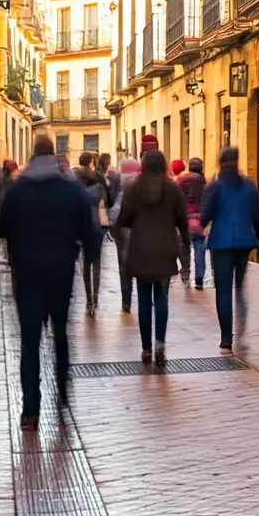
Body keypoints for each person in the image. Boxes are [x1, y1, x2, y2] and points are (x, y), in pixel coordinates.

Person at [0, 135, 101, 430]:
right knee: (60, 333)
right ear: (54, 157)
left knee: (29, 341)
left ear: (32, 155)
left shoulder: (18, 191)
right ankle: (63, 395)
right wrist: (83, 252)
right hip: (61, 271)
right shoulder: (71, 190)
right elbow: (92, 233)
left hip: (28, 274)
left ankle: (30, 410)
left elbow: (2, 229)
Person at [115, 150, 188, 365]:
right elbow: (182, 220)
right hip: (165, 248)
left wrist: (128, 227)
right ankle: (160, 345)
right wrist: (185, 243)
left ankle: (146, 348)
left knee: (144, 298)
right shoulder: (173, 189)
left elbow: (124, 218)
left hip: (141, 249)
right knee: (162, 297)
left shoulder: (133, 188)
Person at [200, 147, 259, 351]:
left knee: (224, 290)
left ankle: (226, 337)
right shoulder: (249, 186)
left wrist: (199, 225)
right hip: (244, 242)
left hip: (221, 243)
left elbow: (206, 215)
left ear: (220, 162)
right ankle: (241, 326)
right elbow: (257, 216)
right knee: (239, 287)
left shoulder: (215, 187)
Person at [75, 152, 109, 313]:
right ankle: (95, 298)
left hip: (81, 225)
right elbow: (105, 203)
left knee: (85, 262)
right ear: (91, 163)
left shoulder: (74, 183)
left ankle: (88, 298)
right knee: (96, 261)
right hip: (97, 225)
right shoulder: (99, 183)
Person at [109, 158, 141, 312]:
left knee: (124, 265)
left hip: (122, 226)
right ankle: (144, 297)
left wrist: (113, 229)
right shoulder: (142, 183)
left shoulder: (118, 183)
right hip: (140, 227)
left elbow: (112, 206)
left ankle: (126, 300)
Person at [177, 158, 208, 289]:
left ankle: (185, 272)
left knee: (184, 247)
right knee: (199, 248)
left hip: (184, 219)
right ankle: (199, 278)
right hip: (200, 220)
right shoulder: (204, 183)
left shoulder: (181, 181)